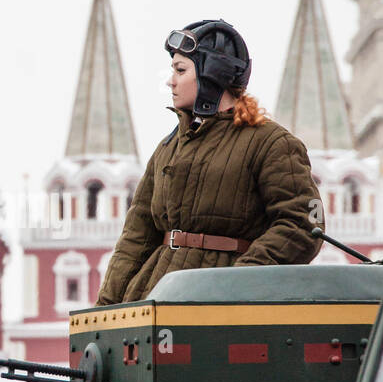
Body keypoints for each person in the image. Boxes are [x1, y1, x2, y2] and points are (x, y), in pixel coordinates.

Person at [95, 19, 322, 306]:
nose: (170, 80)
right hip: (154, 297)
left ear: (211, 75)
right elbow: (136, 237)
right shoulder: (169, 146)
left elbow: (302, 226)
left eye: (180, 70)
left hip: (228, 308)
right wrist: (105, 309)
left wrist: (237, 282)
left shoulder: (271, 143)